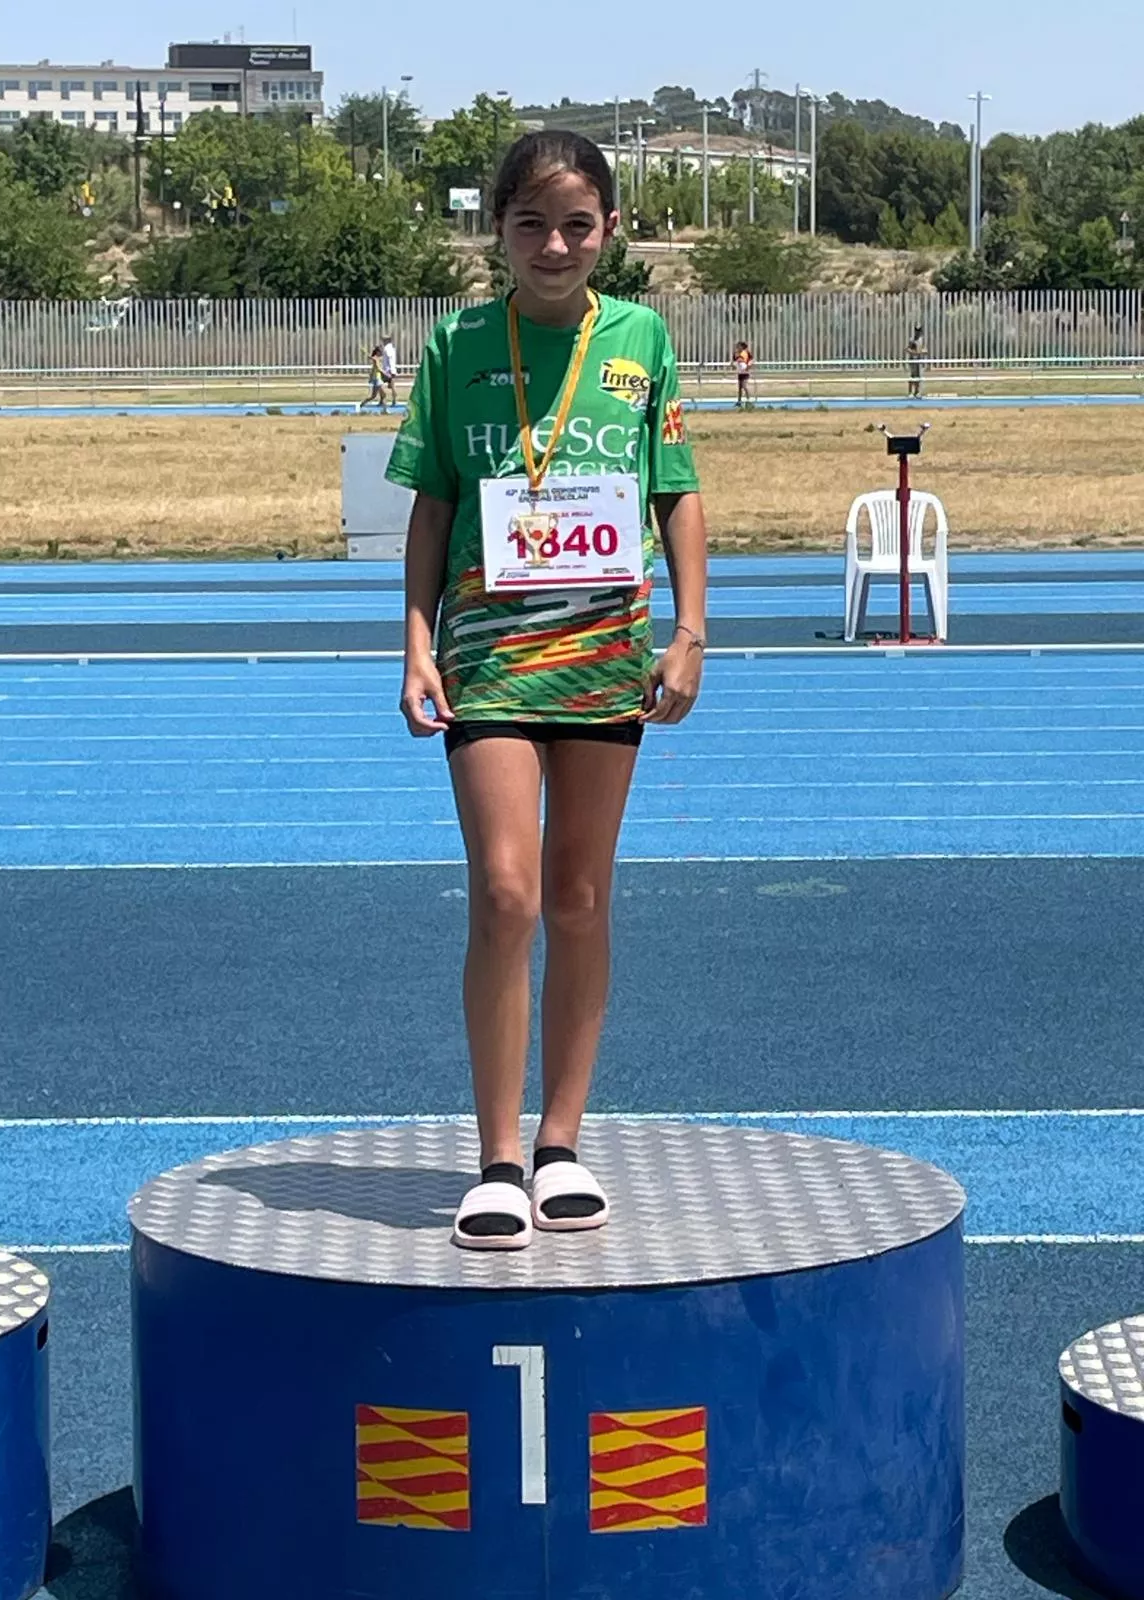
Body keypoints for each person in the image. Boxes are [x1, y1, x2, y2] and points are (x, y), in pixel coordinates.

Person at [386, 129, 707, 1251]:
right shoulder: (458, 343)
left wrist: (692, 631)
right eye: (531, 224)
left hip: (607, 656)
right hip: (488, 655)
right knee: (506, 893)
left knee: (579, 899)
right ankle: (494, 1155)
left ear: (610, 229)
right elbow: (431, 502)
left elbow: (674, 491)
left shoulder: (643, 341)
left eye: (577, 224)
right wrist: (417, 640)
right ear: (499, 233)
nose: (555, 245)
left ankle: (563, 1141)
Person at [361, 345, 388, 412]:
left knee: (373, 396)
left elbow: (370, 358)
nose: (381, 353)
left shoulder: (378, 358)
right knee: (384, 394)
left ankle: (362, 404)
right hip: (377, 379)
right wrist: (386, 374)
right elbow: (378, 368)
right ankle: (385, 410)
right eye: (380, 352)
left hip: (377, 379)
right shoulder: (376, 359)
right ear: (377, 352)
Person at [906, 325, 925, 399]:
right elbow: (907, 348)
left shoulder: (922, 340)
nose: (918, 332)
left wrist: (921, 352)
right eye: (916, 331)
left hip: (919, 360)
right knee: (912, 376)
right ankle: (910, 392)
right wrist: (913, 352)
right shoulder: (912, 339)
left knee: (918, 377)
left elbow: (924, 349)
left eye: (919, 331)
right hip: (913, 360)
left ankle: (917, 392)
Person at [733, 339, 753, 407]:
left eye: (738, 346)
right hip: (740, 372)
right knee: (739, 388)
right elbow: (735, 362)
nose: (737, 347)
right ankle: (739, 401)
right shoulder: (736, 353)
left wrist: (748, 366)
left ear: (742, 346)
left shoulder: (746, 353)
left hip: (745, 372)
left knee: (744, 386)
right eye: (737, 346)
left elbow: (751, 360)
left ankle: (748, 400)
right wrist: (733, 365)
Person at [380, 333, 398, 406]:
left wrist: (391, 371)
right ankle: (393, 400)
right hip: (389, 370)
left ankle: (384, 400)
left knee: (379, 385)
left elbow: (390, 360)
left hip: (387, 371)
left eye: (384, 340)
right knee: (392, 386)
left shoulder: (388, 348)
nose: (383, 341)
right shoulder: (390, 348)